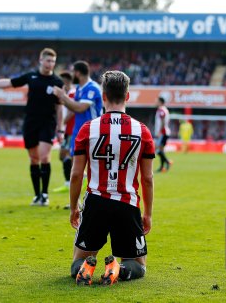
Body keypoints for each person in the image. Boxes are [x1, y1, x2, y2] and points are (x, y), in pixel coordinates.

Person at [69, 70, 155, 286]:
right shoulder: (142, 131)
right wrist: (148, 213)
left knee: (76, 262)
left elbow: (77, 173)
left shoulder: (88, 129)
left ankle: (86, 268)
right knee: (138, 265)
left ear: (103, 95)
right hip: (127, 204)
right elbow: (147, 178)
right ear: (127, 96)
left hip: (96, 202)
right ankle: (119, 269)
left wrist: (73, 208)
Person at [0, 48, 64, 206]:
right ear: (41, 60)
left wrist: (60, 128)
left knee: (44, 157)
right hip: (30, 122)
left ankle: (45, 194)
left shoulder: (57, 82)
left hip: (47, 123)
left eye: (53, 61)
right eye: (48, 60)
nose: (51, 64)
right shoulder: (31, 77)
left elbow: (59, 107)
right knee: (34, 159)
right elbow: (8, 83)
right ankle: (37, 195)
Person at [52, 61, 103, 200]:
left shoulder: (92, 88)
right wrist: (61, 124)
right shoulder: (80, 88)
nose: (72, 74)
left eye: (73, 71)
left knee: (93, 168)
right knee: (77, 169)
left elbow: (80, 107)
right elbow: (73, 109)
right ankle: (77, 201)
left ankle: (96, 199)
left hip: (92, 133)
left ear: (78, 73)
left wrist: (63, 97)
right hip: (78, 133)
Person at [52, 71, 76, 193]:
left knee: (66, 155)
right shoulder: (65, 94)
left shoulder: (72, 94)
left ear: (67, 82)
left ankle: (70, 182)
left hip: (71, 130)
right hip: (67, 130)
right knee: (63, 156)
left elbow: (72, 111)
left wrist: (62, 124)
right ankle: (76, 178)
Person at [155, 96, 172, 172]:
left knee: (157, 149)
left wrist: (159, 131)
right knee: (160, 150)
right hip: (164, 132)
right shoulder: (164, 109)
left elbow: (162, 121)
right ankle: (162, 167)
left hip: (163, 133)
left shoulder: (161, 110)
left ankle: (167, 162)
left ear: (160, 102)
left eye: (157, 101)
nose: (156, 102)